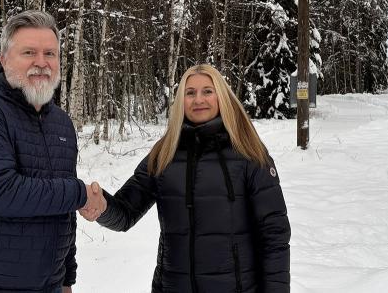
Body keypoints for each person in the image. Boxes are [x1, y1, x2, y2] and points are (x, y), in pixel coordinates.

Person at [82, 64, 291, 292]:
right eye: (190, 93)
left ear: (221, 96)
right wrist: (101, 206)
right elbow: (124, 212)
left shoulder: (248, 152)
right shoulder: (164, 154)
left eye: (207, 91)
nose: (198, 99)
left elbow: (274, 235)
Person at [0, 10, 105, 293]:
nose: (41, 63)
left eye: (50, 54)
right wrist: (80, 194)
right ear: (3, 59)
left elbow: (62, 209)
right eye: (29, 52)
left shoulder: (61, 123)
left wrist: (67, 277)